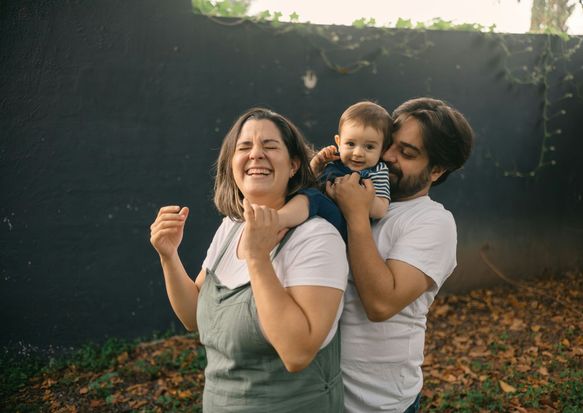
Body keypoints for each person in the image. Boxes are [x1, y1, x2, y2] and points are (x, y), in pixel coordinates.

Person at [149, 108, 349, 412]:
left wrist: (258, 257)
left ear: (294, 164)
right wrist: (168, 255)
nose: (256, 154)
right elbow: (194, 318)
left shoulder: (317, 238)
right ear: (231, 166)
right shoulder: (231, 228)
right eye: (244, 147)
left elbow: (297, 353)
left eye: (269, 146)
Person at [326, 97, 474, 413]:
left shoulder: (432, 222)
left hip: (378, 404)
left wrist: (356, 215)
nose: (388, 157)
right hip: (319, 394)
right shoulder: (357, 191)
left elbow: (381, 304)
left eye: (407, 153)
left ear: (436, 170)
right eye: (389, 144)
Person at [277, 101, 392, 238]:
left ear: (383, 149)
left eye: (369, 147)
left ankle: (277, 221)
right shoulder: (335, 161)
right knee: (297, 188)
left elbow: (380, 210)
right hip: (312, 217)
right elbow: (308, 182)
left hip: (345, 226)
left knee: (314, 197)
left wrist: (353, 196)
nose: (358, 153)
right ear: (338, 142)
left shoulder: (376, 171)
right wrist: (317, 164)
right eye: (350, 144)